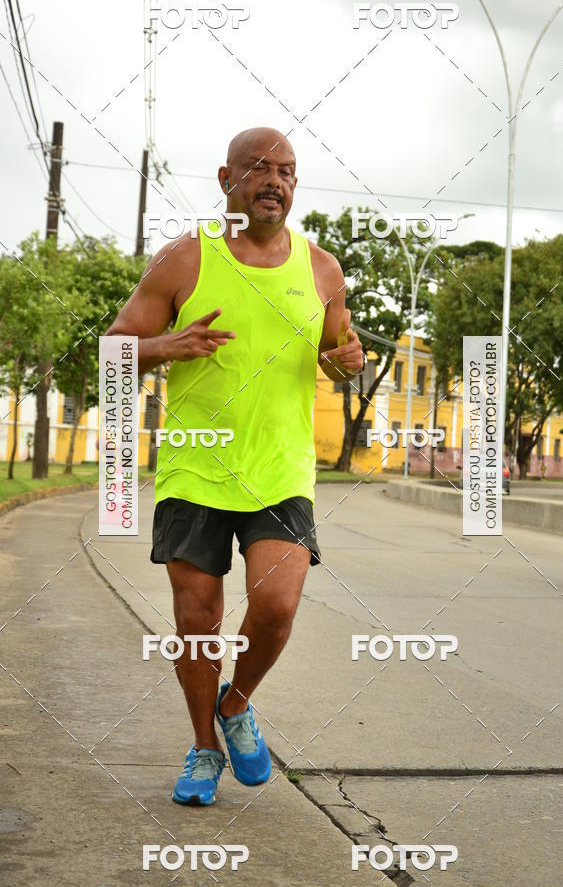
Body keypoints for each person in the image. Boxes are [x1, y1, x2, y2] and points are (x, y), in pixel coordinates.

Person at [105, 127, 365, 805]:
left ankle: (235, 703)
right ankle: (202, 748)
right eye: (258, 168)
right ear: (227, 180)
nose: (274, 179)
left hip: (280, 470)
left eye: (286, 170)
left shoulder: (323, 270)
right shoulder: (184, 260)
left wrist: (348, 363)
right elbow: (113, 355)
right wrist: (167, 345)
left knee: (276, 607)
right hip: (195, 468)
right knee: (198, 618)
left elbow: (339, 351)